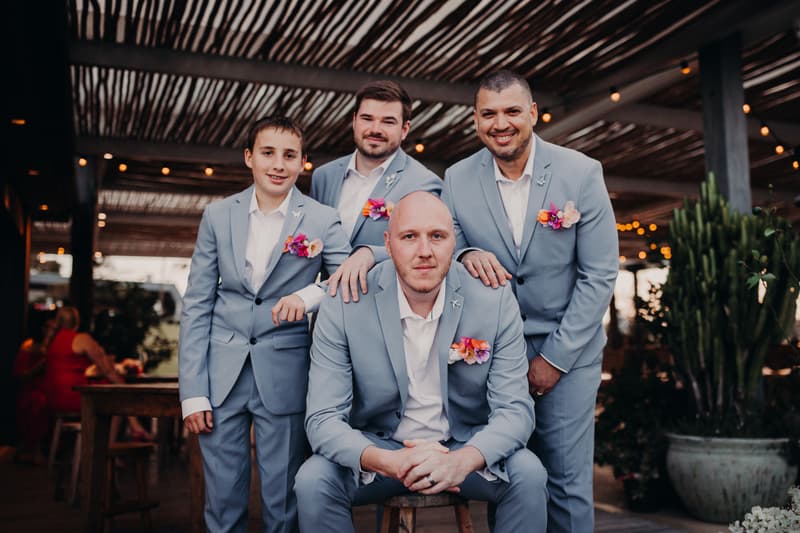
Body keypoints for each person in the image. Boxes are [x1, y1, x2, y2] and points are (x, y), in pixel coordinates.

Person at [295, 192, 548, 533]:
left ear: (453, 242)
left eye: (437, 236)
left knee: (528, 474)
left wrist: (463, 460)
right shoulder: (345, 301)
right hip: (382, 450)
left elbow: (516, 411)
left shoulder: (493, 298)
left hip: (463, 448)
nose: (425, 251)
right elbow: (323, 420)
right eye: (409, 237)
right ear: (388, 242)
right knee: (313, 480)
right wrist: (388, 460)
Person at [441, 70, 618, 533]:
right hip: (494, 355)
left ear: (534, 114)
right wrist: (466, 252)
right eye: (489, 114)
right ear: (476, 120)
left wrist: (554, 360)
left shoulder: (581, 173)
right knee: (511, 474)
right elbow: (447, 242)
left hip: (568, 354)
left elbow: (599, 274)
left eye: (512, 111)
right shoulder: (457, 178)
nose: (501, 123)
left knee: (564, 479)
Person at [179, 116, 351, 532]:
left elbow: (348, 282)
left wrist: (307, 297)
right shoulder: (218, 216)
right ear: (249, 158)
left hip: (286, 372)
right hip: (221, 375)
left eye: (289, 155)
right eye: (268, 153)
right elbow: (197, 304)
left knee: (284, 498)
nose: (278, 164)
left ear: (302, 163)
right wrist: (192, 393)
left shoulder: (323, 219)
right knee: (222, 498)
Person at [311, 80, 442, 301]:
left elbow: (429, 249)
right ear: (354, 121)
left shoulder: (424, 183)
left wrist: (372, 253)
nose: (375, 129)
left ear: (405, 129)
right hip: (328, 310)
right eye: (367, 119)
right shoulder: (324, 176)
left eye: (388, 121)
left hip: (384, 308)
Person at [44, 306, 151, 438]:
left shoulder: (52, 341)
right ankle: (108, 449)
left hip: (53, 398)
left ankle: (134, 429)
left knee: (109, 392)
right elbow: (107, 369)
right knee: (118, 398)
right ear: (77, 322)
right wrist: (124, 387)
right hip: (74, 397)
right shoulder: (81, 339)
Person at [13, 309, 55, 463]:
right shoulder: (29, 346)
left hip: (51, 390)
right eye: (48, 327)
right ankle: (33, 449)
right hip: (33, 390)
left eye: (54, 328)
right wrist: (39, 367)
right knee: (38, 401)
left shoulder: (59, 348)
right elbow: (20, 375)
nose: (50, 331)